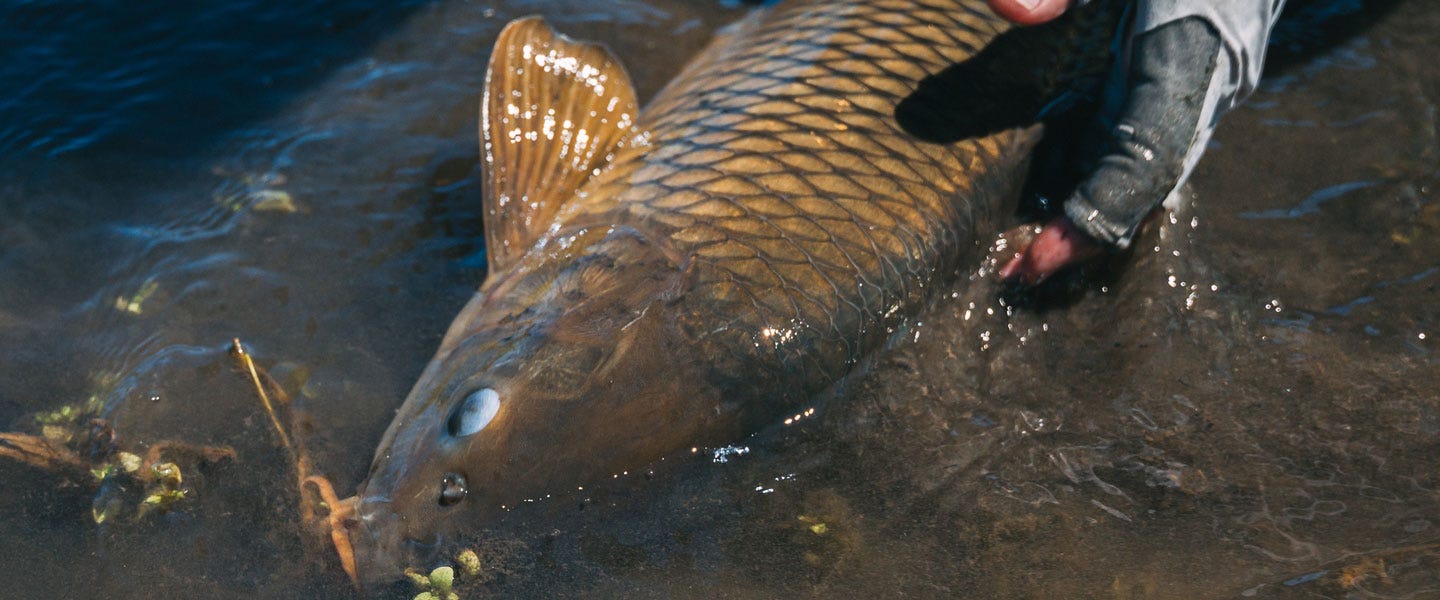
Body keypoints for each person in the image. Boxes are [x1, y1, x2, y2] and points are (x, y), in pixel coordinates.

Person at [990, 0, 1287, 284]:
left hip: (1133, 161)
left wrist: (1079, 229)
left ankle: (1115, 230)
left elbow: (1156, 150)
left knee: (1138, 183)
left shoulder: (1188, 29)